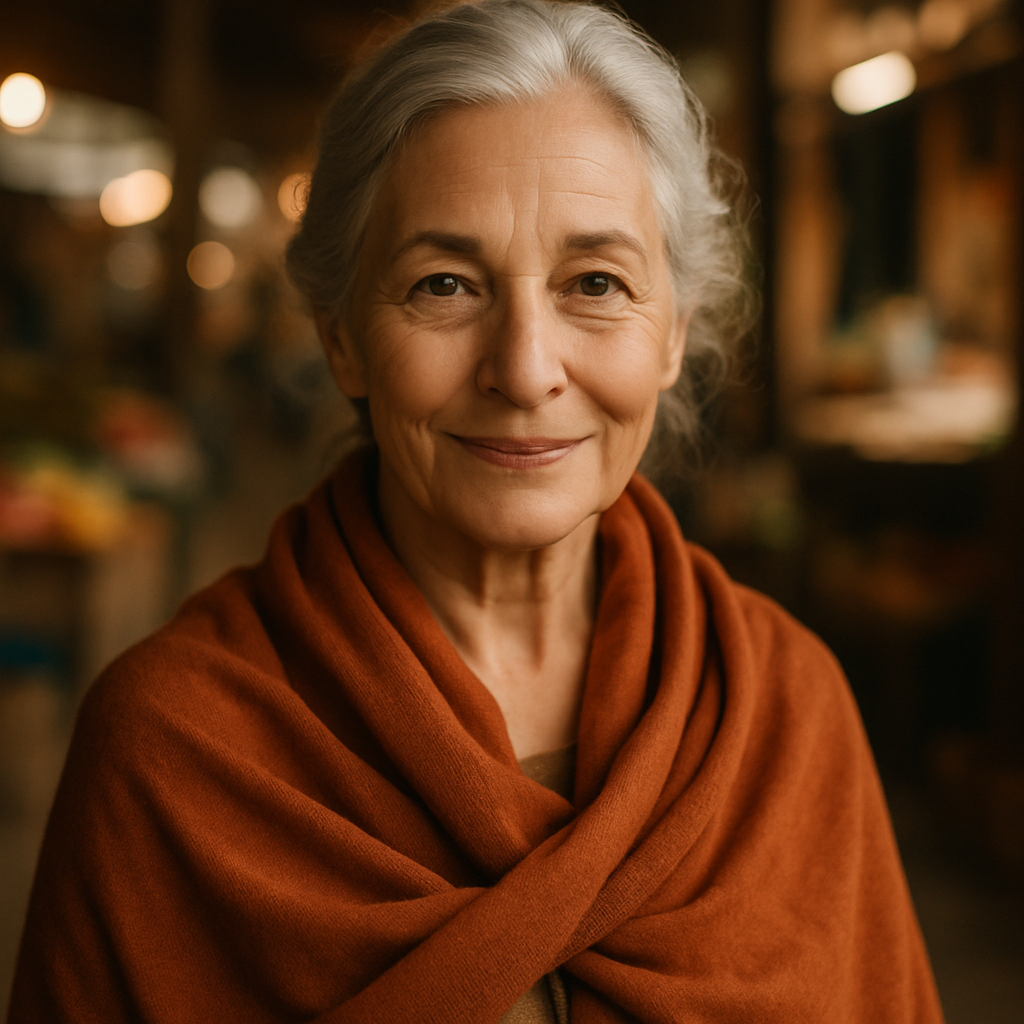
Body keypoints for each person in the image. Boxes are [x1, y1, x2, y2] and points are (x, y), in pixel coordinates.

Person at [8, 2, 944, 1022]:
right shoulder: (173, 748)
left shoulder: (784, 715)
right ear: (341, 336)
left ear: (672, 333)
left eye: (595, 282)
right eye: (444, 284)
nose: (525, 368)